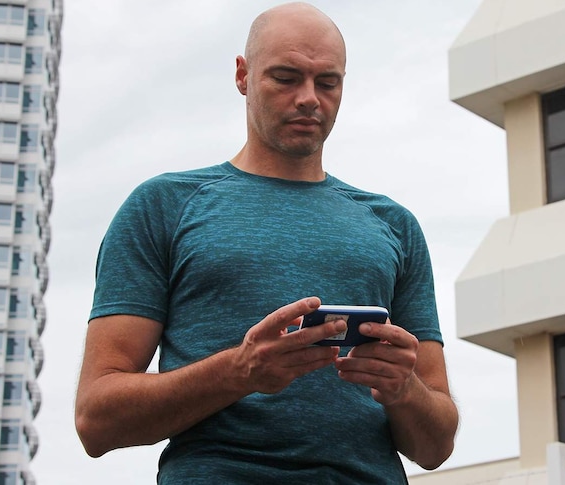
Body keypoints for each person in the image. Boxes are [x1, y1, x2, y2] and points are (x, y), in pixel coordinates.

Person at [74, 3, 459, 483]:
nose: (308, 98)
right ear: (243, 75)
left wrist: (404, 389)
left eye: (327, 82)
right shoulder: (164, 207)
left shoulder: (393, 225)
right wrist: (241, 371)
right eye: (285, 77)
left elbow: (436, 445)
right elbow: (96, 421)